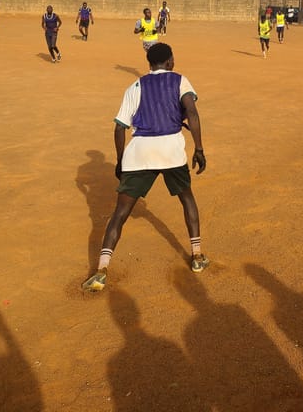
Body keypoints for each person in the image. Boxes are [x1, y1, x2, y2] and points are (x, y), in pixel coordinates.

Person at [81, 42, 208, 292]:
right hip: (171, 150)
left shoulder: (135, 87)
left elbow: (120, 127)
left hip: (139, 153)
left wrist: (120, 161)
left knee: (119, 213)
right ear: (170, 62)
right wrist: (200, 149)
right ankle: (196, 256)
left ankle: (100, 270)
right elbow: (192, 113)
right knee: (187, 199)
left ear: (149, 64)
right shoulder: (180, 81)